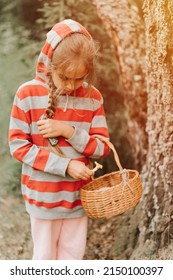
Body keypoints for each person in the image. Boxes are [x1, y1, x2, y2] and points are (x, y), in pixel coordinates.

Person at [9, 19, 110, 260]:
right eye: (65, 77)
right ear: (49, 64)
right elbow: (18, 146)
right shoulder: (28, 94)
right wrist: (66, 166)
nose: (71, 86)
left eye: (79, 78)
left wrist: (69, 131)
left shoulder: (92, 97)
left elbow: (102, 147)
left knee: (73, 257)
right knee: (44, 258)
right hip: (43, 197)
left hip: (77, 198)